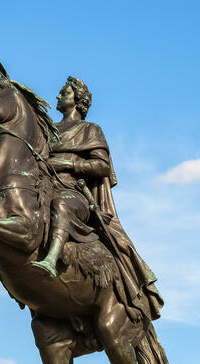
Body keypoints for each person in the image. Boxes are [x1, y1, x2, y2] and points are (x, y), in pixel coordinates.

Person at [30, 76, 163, 322]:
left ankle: (50, 260)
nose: (58, 96)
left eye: (63, 93)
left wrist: (68, 162)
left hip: (74, 194)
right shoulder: (47, 130)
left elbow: (102, 166)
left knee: (61, 204)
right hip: (44, 187)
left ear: (78, 101)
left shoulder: (90, 129)